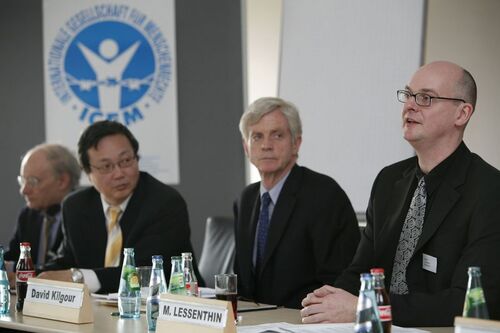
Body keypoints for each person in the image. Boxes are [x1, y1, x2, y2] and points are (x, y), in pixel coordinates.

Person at [301, 61, 500, 326]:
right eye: (408, 95)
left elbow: (470, 302)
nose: (409, 106)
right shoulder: (388, 180)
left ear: (461, 114)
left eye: (425, 98)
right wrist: (328, 301)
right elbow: (361, 271)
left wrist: (367, 308)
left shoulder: (489, 190)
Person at [40, 120, 202, 293]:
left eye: (125, 161)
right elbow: (67, 262)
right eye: (106, 166)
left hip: (159, 309)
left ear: (136, 158)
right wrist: (29, 276)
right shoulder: (76, 207)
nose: (119, 173)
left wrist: (78, 278)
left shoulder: (164, 203)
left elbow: (144, 273)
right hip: (97, 312)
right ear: (88, 173)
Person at [234, 97, 360, 309]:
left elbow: (339, 281)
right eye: (257, 136)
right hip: (256, 322)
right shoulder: (245, 200)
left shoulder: (324, 194)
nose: (266, 145)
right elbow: (243, 282)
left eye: (277, 135)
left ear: (296, 143)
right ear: (246, 148)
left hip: (305, 321)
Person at [4, 143, 81, 270]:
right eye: (22, 181)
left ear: (62, 181)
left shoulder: (84, 215)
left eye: (32, 181)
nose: (24, 190)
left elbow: (67, 268)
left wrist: (15, 269)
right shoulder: (28, 215)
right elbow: (13, 256)